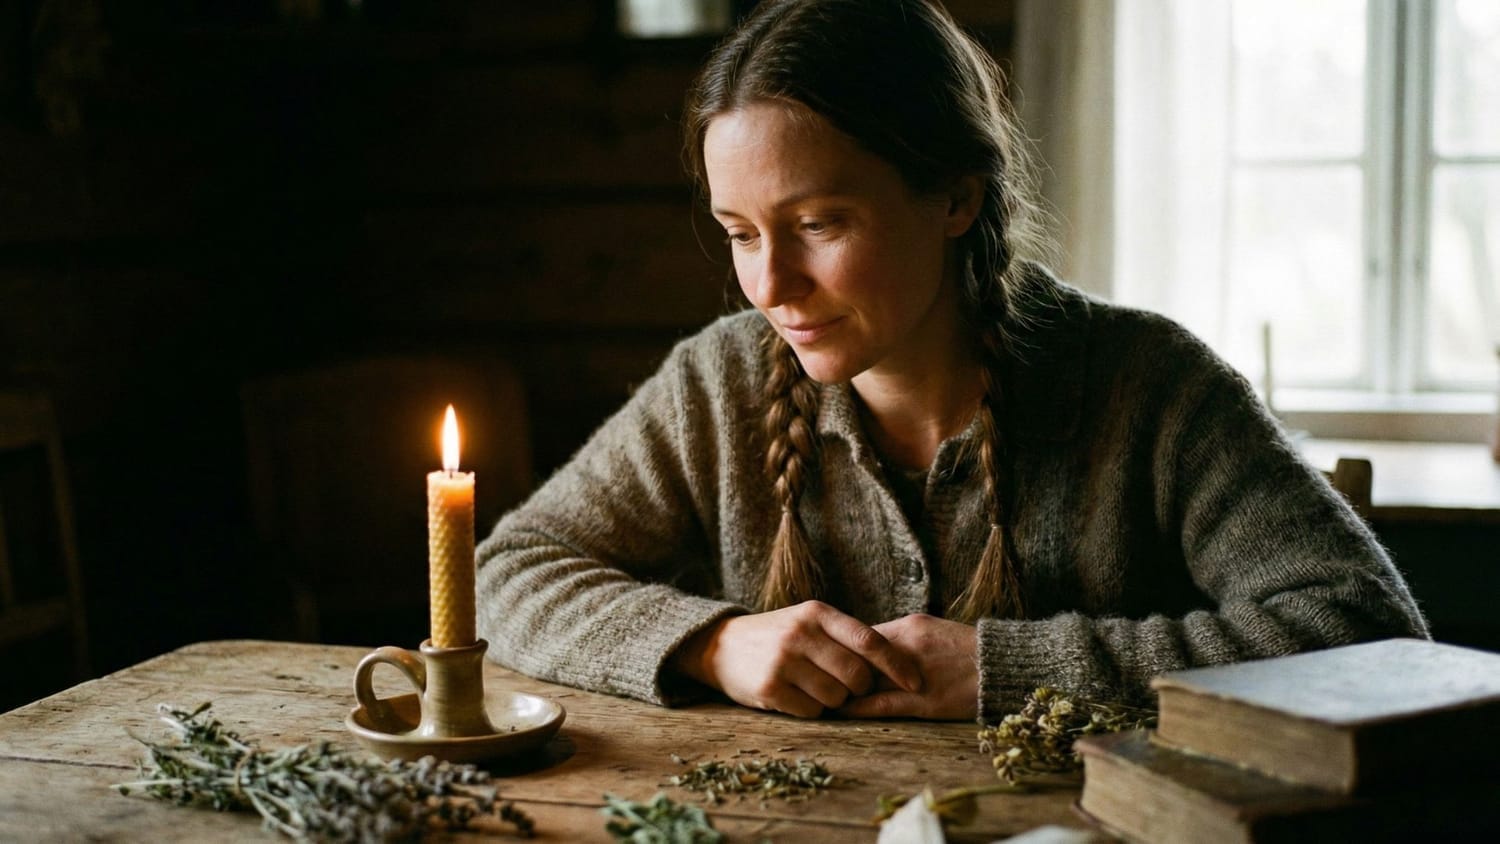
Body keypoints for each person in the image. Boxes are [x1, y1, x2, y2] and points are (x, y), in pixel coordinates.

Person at [475, 0, 1428, 723]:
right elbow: (506, 571)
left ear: (955, 201)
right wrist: (710, 645)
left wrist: (1007, 670)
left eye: (818, 224)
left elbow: (1373, 636)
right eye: (740, 233)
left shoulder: (1151, 388)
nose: (771, 286)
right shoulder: (717, 383)